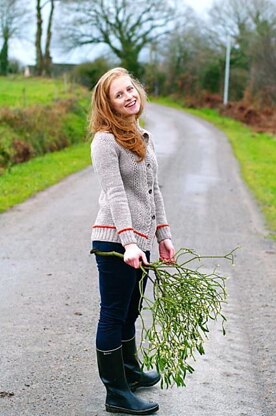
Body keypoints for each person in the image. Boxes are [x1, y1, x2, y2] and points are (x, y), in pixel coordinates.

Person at [89, 67, 175, 415]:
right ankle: (116, 394)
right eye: (118, 94)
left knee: (130, 312)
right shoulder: (105, 140)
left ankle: (130, 372)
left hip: (140, 242)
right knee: (112, 315)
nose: (128, 96)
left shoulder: (141, 135)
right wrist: (129, 243)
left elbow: (151, 190)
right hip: (115, 242)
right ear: (108, 104)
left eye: (130, 89)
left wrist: (163, 235)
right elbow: (116, 194)